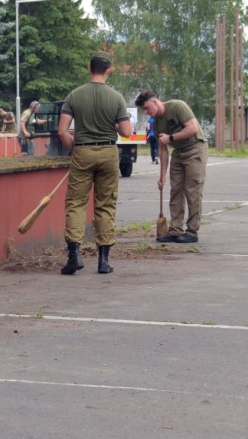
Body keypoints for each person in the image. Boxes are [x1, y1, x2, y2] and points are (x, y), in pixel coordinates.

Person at [57, 51, 132, 275]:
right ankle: (103, 260)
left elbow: (62, 131)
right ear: (109, 70)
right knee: (106, 205)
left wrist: (77, 148)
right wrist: (114, 124)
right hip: (109, 152)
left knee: (76, 203)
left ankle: (74, 256)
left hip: (82, 152)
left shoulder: (74, 95)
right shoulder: (116, 97)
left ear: (89, 69)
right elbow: (127, 132)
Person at [135, 90, 208, 244]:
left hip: (195, 149)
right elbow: (163, 150)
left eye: (147, 108)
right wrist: (162, 176)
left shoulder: (177, 106)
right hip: (178, 152)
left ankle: (192, 232)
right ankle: (175, 230)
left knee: (192, 191)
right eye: (144, 111)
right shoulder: (157, 123)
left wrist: (171, 137)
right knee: (176, 191)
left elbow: (193, 128)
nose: (147, 113)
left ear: (155, 102)